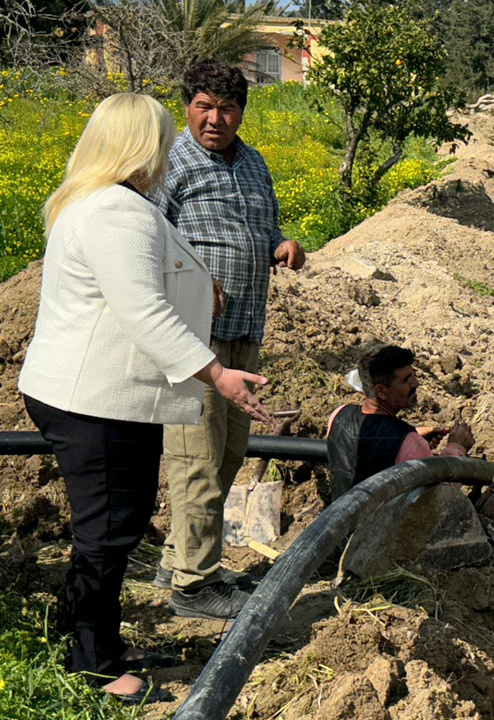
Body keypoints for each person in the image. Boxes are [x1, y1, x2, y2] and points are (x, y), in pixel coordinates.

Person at [18, 93, 272, 704]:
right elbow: (143, 311)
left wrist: (194, 280)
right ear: (140, 145)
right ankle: (96, 665)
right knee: (108, 531)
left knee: (113, 527)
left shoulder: (100, 202)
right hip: (93, 401)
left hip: (96, 396)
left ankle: (84, 636)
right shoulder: (114, 212)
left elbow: (146, 281)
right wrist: (217, 374)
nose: (166, 153)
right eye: (160, 140)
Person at [154, 59, 306, 620]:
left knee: (229, 452)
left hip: (244, 331)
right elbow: (147, 240)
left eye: (227, 107)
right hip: (193, 340)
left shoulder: (253, 164)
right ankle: (194, 587)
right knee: (195, 456)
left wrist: (281, 244)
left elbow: (260, 229)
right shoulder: (168, 164)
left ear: (241, 112)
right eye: (204, 106)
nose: (215, 118)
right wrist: (192, 277)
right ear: (187, 106)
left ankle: (179, 556)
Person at [326, 344, 474, 499]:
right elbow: (440, 495)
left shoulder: (338, 415)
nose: (415, 383)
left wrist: (414, 438)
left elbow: (368, 445)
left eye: (413, 375)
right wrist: (456, 447)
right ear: (381, 391)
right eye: (406, 380)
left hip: (340, 520)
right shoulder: (408, 443)